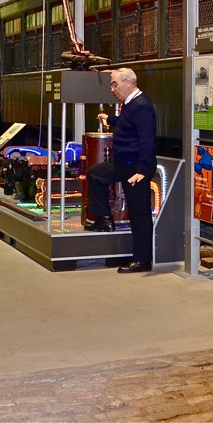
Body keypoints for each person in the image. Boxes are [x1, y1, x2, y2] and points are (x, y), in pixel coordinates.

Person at [87, 67, 156, 274]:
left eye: (115, 84)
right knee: (95, 173)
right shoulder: (129, 104)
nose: (112, 89)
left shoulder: (142, 105)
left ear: (128, 83)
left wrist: (142, 170)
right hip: (122, 164)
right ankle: (105, 219)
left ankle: (142, 260)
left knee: (139, 213)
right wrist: (110, 119)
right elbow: (128, 124)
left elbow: (147, 140)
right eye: (111, 85)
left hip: (136, 169)